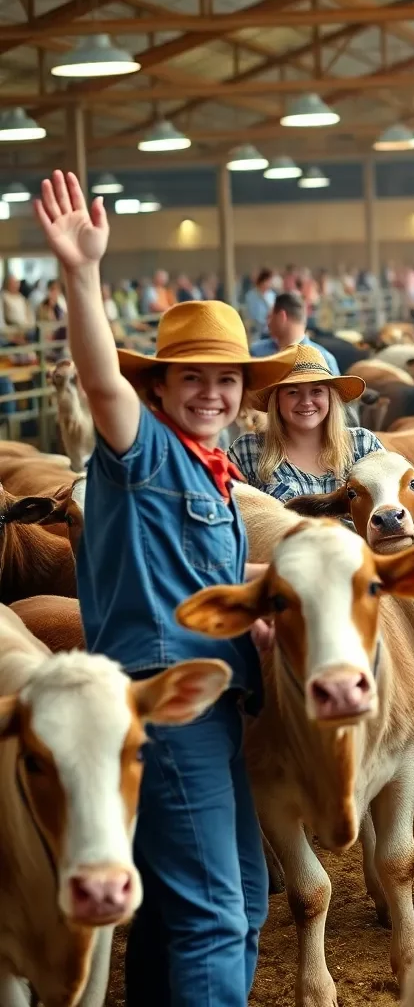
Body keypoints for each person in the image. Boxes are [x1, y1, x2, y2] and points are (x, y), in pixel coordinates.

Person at [31, 169, 297, 1007]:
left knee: (223, 903)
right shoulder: (141, 451)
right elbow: (100, 379)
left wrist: (300, 583)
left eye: (227, 380)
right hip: (163, 702)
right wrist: (81, 273)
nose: (213, 392)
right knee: (219, 913)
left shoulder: (214, 478)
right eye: (192, 378)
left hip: (212, 703)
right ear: (158, 389)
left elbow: (213, 579)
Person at [229, 343, 378, 502]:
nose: (306, 402)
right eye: (293, 392)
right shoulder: (247, 450)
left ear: (330, 397)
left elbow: (394, 507)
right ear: (277, 401)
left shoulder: (363, 445)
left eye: (316, 391)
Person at [249, 291, 341, 375]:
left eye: (270, 317)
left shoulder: (258, 354)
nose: (268, 323)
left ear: (281, 317)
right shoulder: (325, 359)